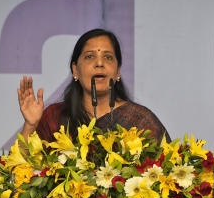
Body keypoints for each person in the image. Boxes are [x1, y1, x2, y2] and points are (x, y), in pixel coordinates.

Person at [16, 28, 168, 142]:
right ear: (75, 70)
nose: (100, 63)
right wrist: (31, 125)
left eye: (108, 57)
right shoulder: (54, 118)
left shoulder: (140, 121)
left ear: (117, 71)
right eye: (90, 57)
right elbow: (18, 173)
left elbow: (167, 176)